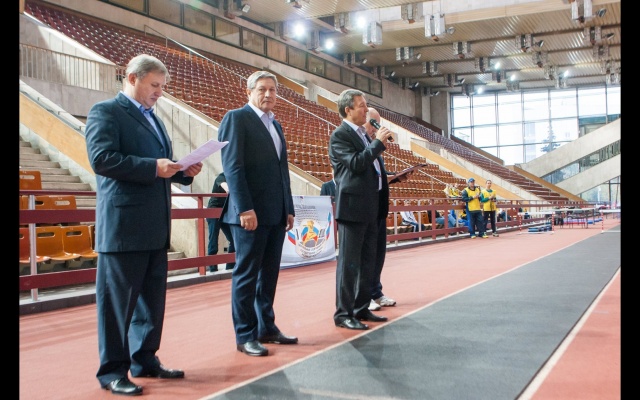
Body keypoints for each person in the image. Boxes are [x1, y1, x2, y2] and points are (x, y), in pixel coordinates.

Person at [85, 54, 202, 396]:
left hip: (155, 226)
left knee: (151, 301)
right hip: (124, 227)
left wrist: (182, 171)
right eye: (154, 85)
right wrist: (154, 167)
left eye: (162, 86)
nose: (159, 92)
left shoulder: (154, 119)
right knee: (117, 306)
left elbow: (160, 166)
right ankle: (112, 371)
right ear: (132, 78)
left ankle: (144, 358)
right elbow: (101, 159)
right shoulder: (106, 111)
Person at [218, 70, 298, 357]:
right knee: (247, 275)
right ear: (248, 92)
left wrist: (288, 208)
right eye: (262, 89)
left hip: (276, 213)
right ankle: (245, 334)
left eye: (273, 90)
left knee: (269, 275)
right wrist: (245, 208)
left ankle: (266, 327)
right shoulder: (236, 118)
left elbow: (282, 171)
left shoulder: (276, 125)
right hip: (249, 214)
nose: (268, 94)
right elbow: (232, 167)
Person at [328, 89, 394, 331]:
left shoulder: (363, 135)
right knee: (349, 264)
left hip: (371, 207)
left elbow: (371, 168)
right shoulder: (340, 135)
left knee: (368, 261)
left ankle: (361, 307)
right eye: (362, 106)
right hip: (353, 208)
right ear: (348, 110)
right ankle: (343, 313)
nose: (366, 110)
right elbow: (356, 164)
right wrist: (377, 144)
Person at [364, 107, 407, 311]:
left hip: (379, 207)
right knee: (366, 254)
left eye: (378, 124)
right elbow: (360, 170)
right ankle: (364, 295)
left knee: (378, 252)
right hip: (365, 207)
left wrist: (396, 177)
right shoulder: (363, 144)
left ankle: (376, 291)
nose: (376, 128)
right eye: (373, 123)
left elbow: (379, 174)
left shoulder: (374, 146)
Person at [206, 172, 235, 272]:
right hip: (213, 210)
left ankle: (230, 266)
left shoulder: (234, 178)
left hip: (224, 212)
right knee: (213, 239)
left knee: (233, 239)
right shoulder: (221, 177)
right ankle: (213, 268)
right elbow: (227, 188)